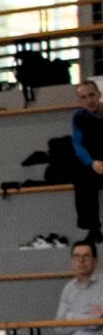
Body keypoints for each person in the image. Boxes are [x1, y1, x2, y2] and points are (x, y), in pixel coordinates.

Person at [68, 80, 103, 245]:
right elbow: (78, 144)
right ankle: (93, 228)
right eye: (83, 97)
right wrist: (92, 162)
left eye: (91, 95)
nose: (89, 100)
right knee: (81, 177)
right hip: (93, 161)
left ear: (99, 95)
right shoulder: (79, 117)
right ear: (79, 102)